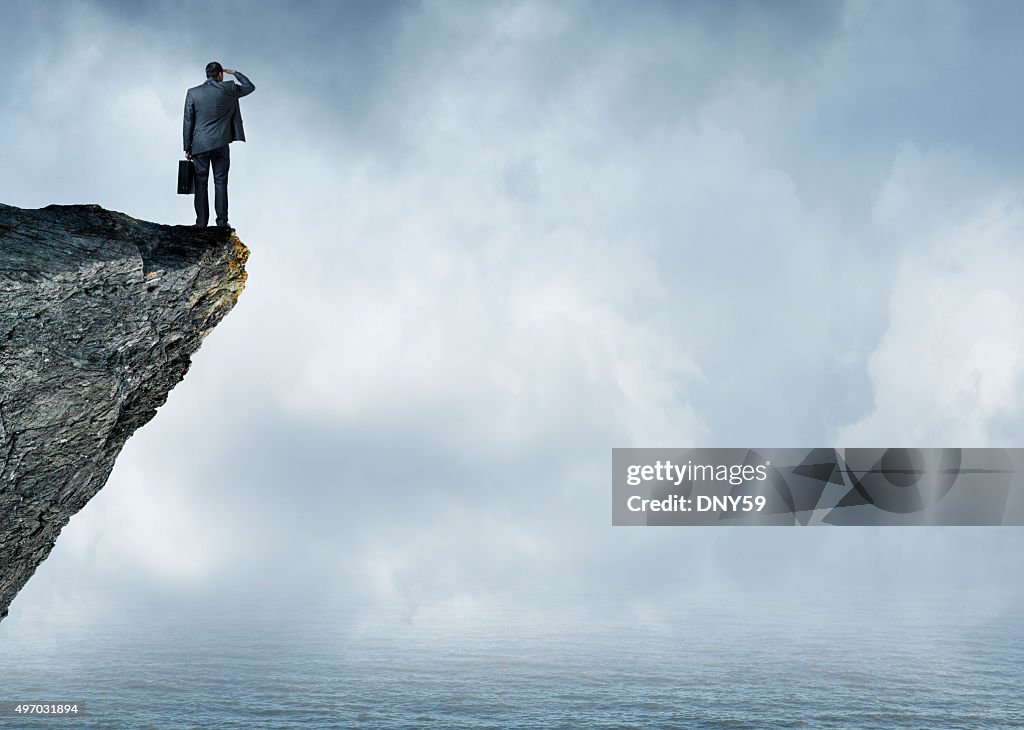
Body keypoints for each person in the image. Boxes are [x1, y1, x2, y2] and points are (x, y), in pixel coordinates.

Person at [182, 62, 255, 228]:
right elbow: (250, 87)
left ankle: (201, 223)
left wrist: (187, 146)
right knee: (220, 183)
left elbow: (188, 121)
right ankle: (222, 222)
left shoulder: (193, 93)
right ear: (220, 74)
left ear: (207, 75)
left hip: (199, 145)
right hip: (221, 144)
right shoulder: (228, 88)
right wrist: (236, 73)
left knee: (201, 183)